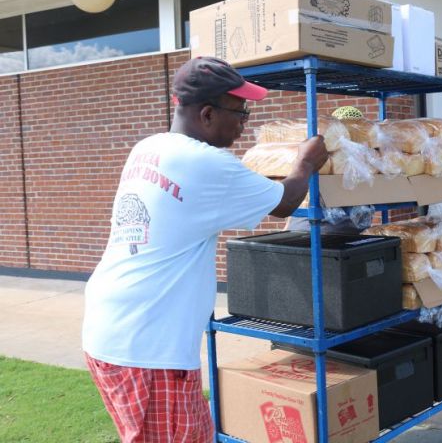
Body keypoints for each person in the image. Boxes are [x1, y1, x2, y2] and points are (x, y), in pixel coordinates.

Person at [81, 56, 329, 442]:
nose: (244, 123)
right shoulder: (206, 163)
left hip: (113, 329)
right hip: (149, 349)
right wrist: (305, 162)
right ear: (208, 114)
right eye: (241, 111)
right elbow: (284, 201)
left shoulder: (149, 147)